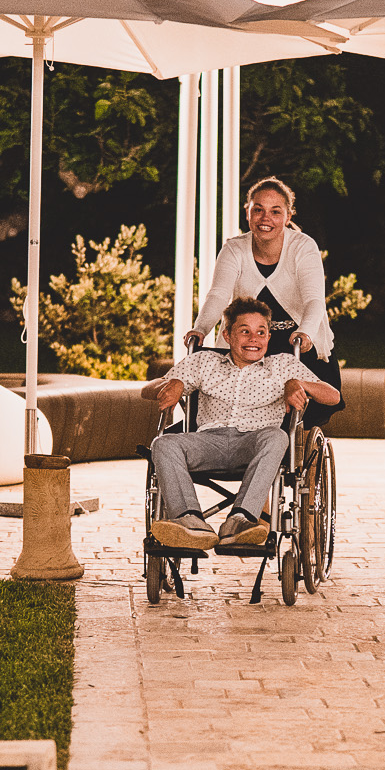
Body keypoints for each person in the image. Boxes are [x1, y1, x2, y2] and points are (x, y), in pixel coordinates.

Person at [145, 297, 340, 550]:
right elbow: (147, 390)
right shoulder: (204, 362)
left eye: (261, 332)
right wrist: (173, 384)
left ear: (269, 338)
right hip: (208, 442)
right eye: (244, 331)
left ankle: (241, 520)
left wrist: (299, 384)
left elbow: (333, 396)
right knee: (162, 444)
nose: (253, 339)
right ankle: (190, 521)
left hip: (255, 444)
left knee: (277, 436)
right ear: (227, 335)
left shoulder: (282, 365)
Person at [191, 177, 332, 365]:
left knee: (322, 392)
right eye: (258, 210)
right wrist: (200, 329)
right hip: (250, 345)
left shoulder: (303, 247)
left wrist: (305, 332)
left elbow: (314, 300)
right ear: (247, 212)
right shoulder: (234, 249)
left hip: (298, 341)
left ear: (288, 216)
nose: (266, 218)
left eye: (275, 212)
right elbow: (218, 295)